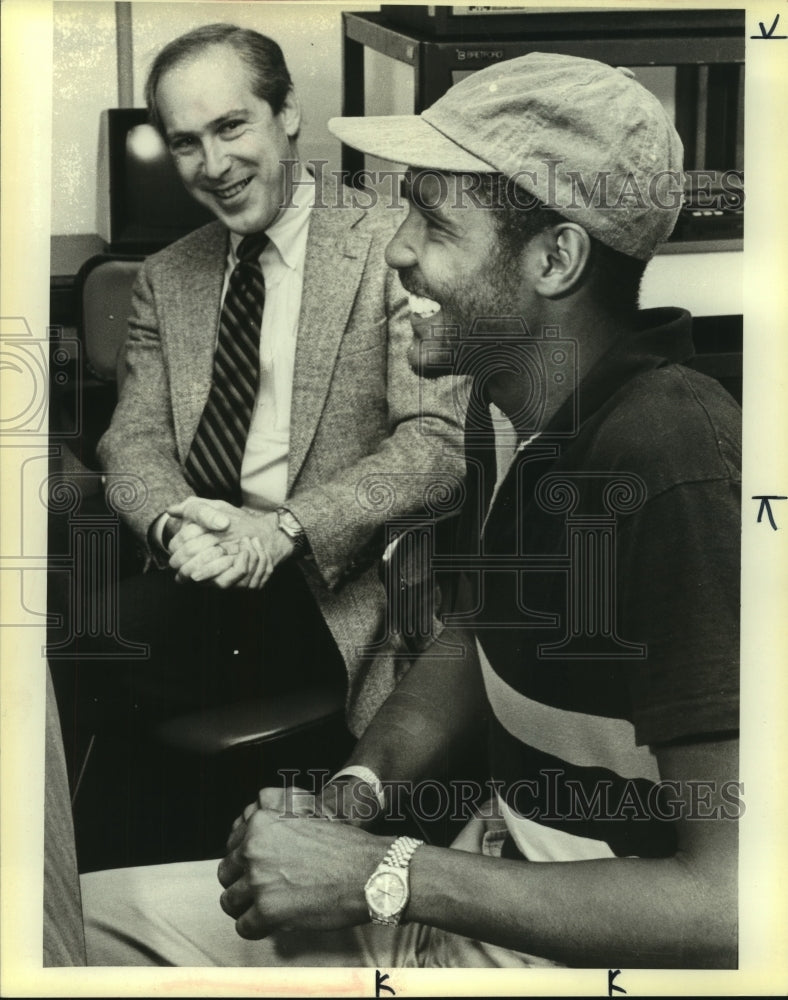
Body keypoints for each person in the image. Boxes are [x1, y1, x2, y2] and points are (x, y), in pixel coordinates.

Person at [81, 52, 740, 969]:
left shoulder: (675, 462)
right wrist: (354, 794)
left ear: (556, 258)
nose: (399, 250)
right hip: (476, 885)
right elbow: (476, 630)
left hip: (557, 948)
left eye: (433, 220)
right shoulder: (509, 409)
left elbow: (735, 905)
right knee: (76, 924)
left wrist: (382, 871)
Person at [51, 23, 465, 762]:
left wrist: (282, 532)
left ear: (289, 112)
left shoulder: (388, 248)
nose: (213, 165)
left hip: (327, 581)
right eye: (185, 142)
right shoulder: (167, 276)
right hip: (195, 568)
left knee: (67, 658)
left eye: (232, 126)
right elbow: (133, 440)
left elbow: (435, 445)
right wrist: (178, 529)